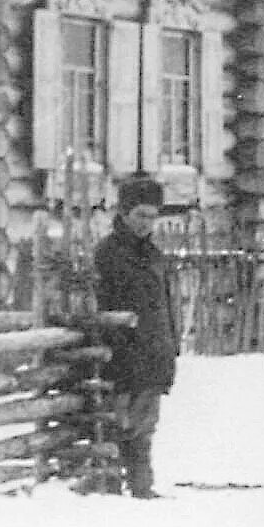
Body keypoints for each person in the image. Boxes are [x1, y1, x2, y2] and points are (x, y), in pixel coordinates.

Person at [92, 174, 181, 499]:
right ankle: (112, 484)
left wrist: (169, 347)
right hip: (121, 354)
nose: (147, 223)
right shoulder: (107, 254)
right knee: (118, 422)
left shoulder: (154, 256)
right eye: (141, 215)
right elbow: (100, 305)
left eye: (152, 216)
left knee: (146, 424)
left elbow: (163, 306)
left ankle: (142, 485)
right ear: (125, 213)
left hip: (153, 352)